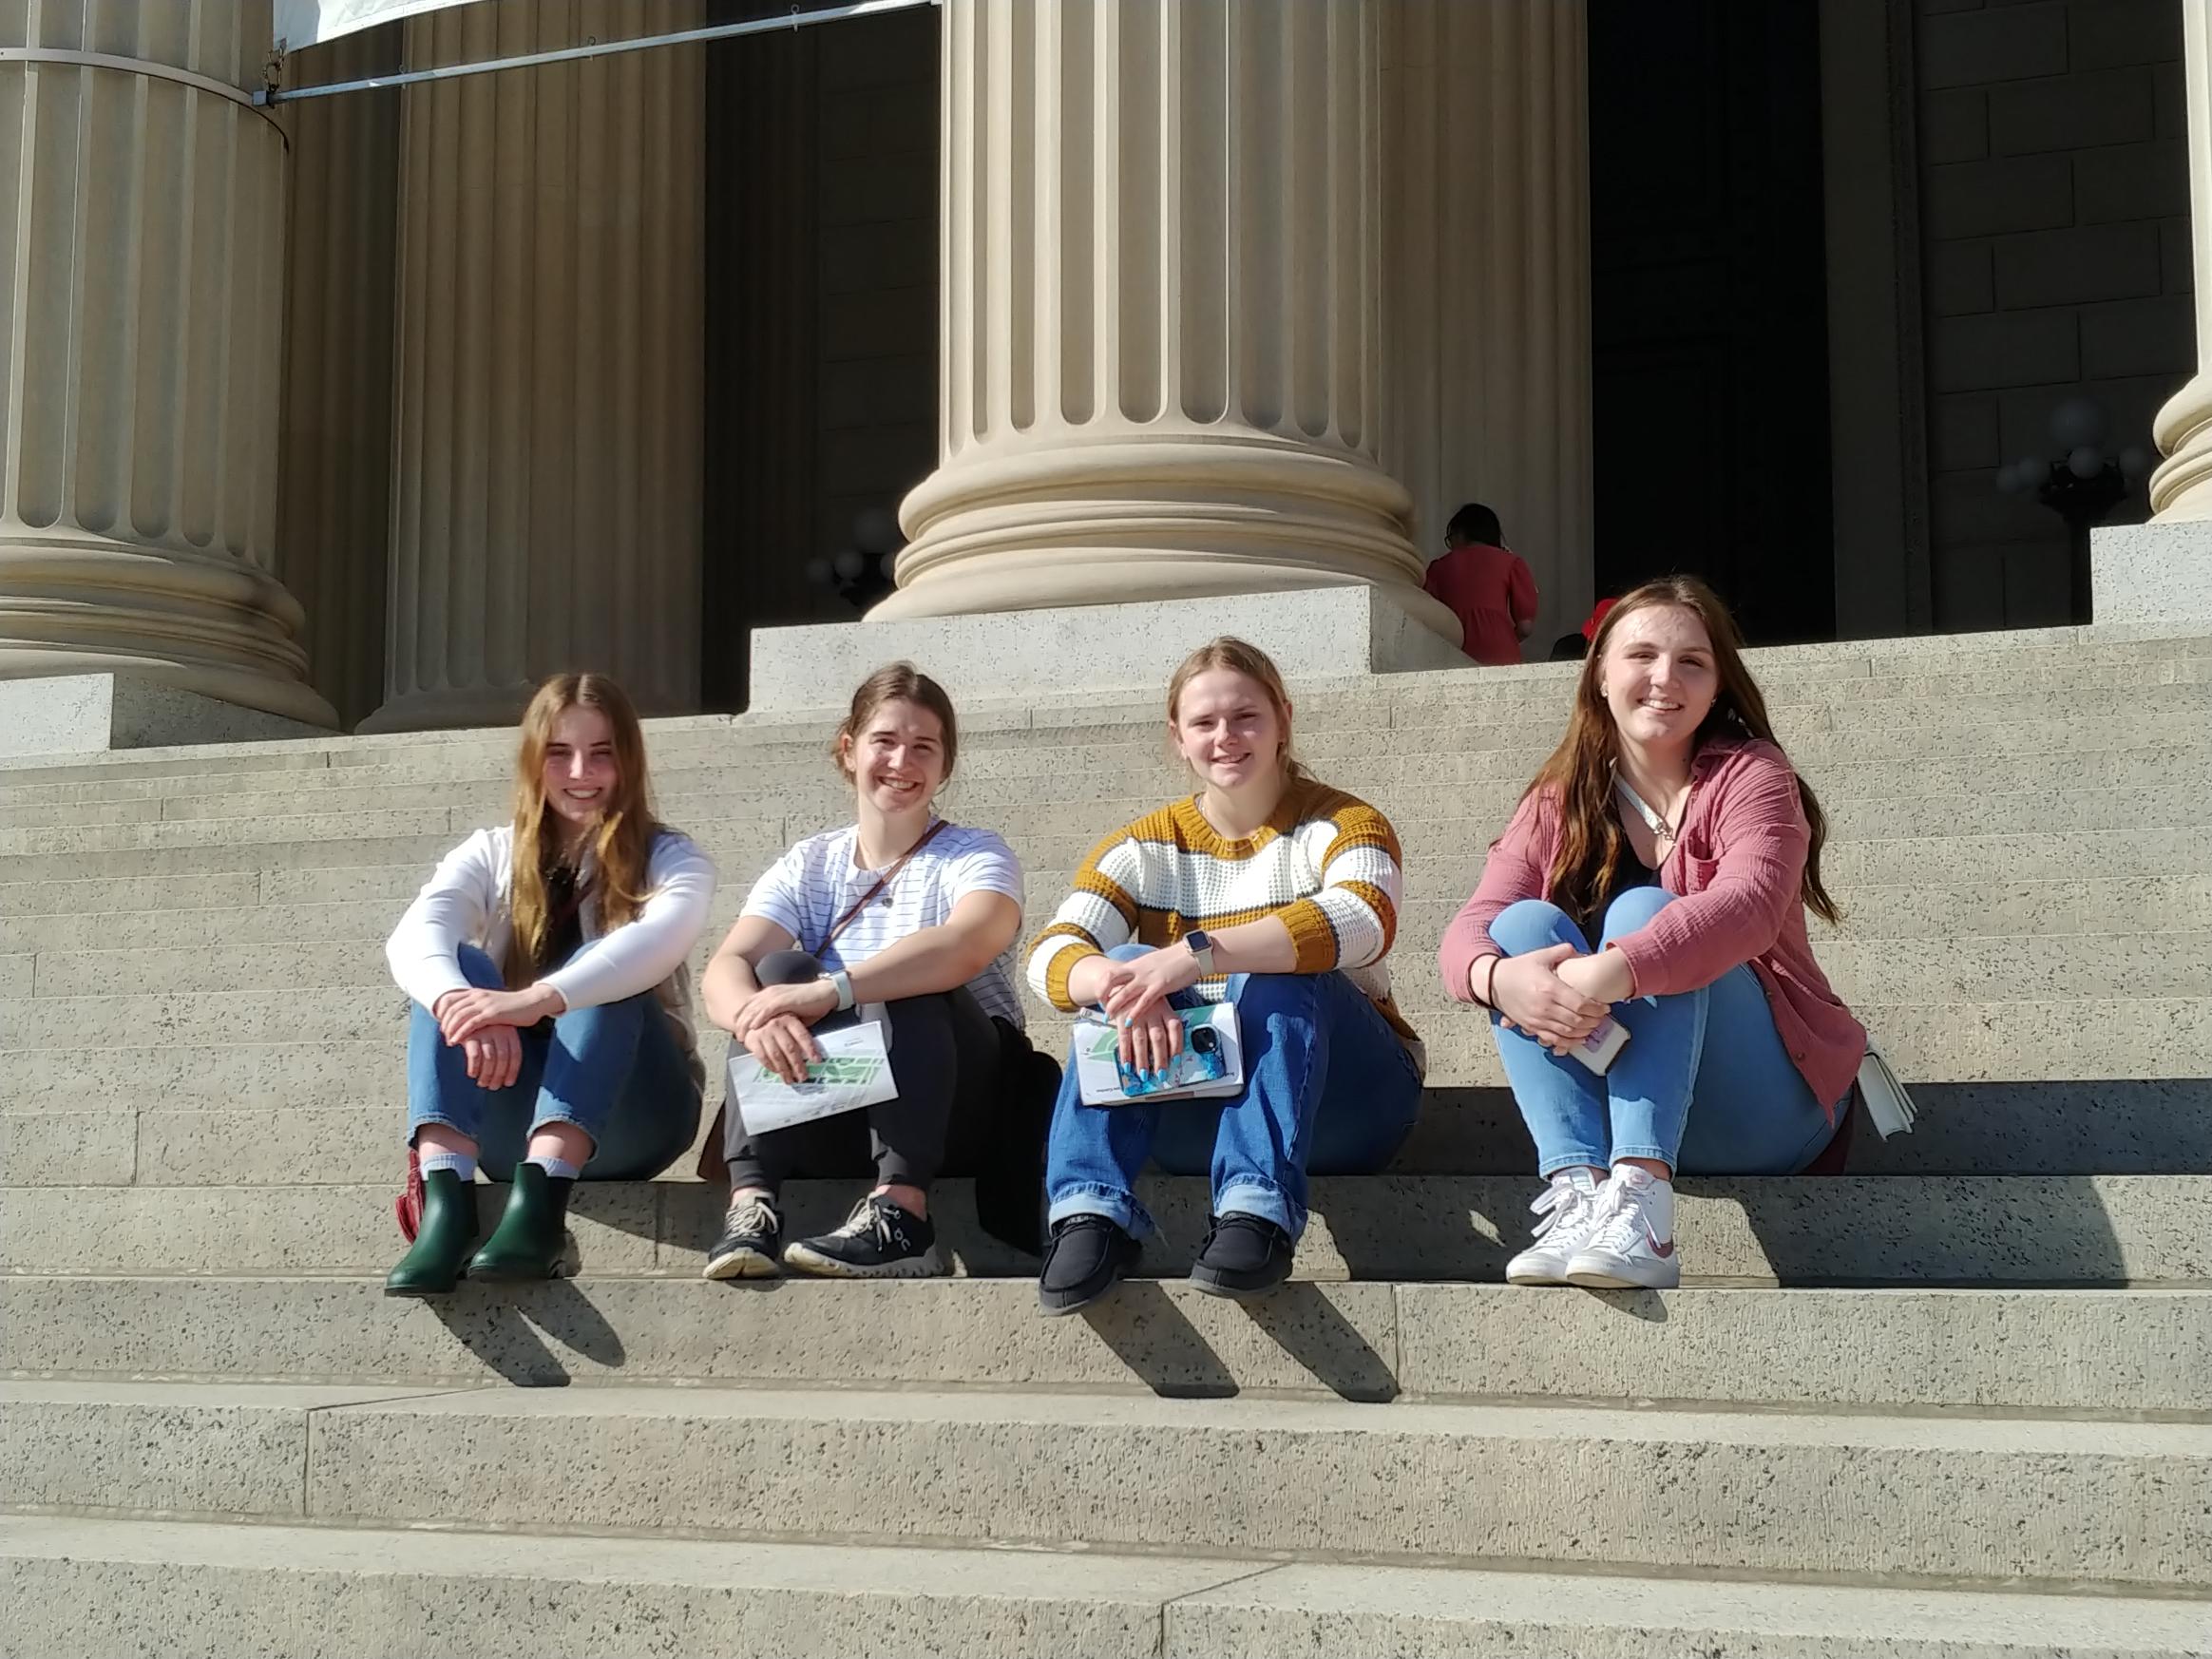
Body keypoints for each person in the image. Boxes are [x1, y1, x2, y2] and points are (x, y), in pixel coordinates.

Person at [1438, 576, 1867, 1290]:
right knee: (1518, 931)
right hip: (1641, 1094)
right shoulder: (1562, 796)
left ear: (1717, 683)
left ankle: (1643, 1205)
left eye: (1692, 662)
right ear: (1600, 673)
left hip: (1772, 1107)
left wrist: (1614, 970)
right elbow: (1469, 929)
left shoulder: (1752, 775)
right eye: (1641, 656)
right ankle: (1579, 1192)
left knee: (1646, 913)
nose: (1665, 678)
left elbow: (1750, 906)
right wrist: (1498, 980)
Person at [1028, 638, 1424, 1314]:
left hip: (1350, 1102)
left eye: (1246, 717)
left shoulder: (1342, 822)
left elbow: (1363, 918)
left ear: (1283, 721)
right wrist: (1127, 988)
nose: (1226, 737)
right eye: (1204, 722)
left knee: (1278, 973)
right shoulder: (1142, 846)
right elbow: (1049, 955)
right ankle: (1089, 1212)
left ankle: (1257, 1211)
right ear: (1177, 737)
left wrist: (1195, 955)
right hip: (1193, 1107)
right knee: (1120, 968)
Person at [384, 673, 717, 1297]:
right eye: (559, 753)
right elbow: (413, 937)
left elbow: (658, 940)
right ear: (535, 762)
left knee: (607, 963)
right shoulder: (490, 854)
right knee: (454, 968)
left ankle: (541, 1208)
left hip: (639, 1113)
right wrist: (463, 1004)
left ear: (629, 761)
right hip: (504, 1119)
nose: (580, 772)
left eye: (602, 753)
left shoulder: (670, 856)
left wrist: (533, 999)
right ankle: (446, 1206)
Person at [698, 663, 1028, 1280]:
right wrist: (755, 1015)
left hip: (960, 1102)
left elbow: (966, 944)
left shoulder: (977, 853)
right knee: (774, 972)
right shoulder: (811, 862)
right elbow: (724, 967)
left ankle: (902, 1214)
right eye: (885, 741)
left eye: (923, 747)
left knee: (912, 977)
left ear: (945, 765)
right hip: (839, 1097)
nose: (902, 761)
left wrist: (834, 989)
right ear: (849, 750)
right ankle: (753, 1205)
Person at [1422, 502, 1540, 667]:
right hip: (1501, 651)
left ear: (1460, 533)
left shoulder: (1438, 568)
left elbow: (1428, 619)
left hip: (1454, 650)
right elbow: (1525, 627)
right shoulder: (1511, 562)